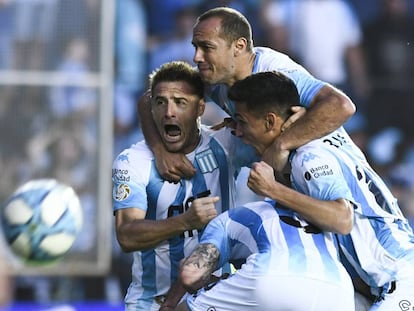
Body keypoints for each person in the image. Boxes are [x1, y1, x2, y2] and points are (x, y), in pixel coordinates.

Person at [228, 71, 414, 310]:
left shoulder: (309, 157)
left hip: (398, 277)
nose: (238, 132)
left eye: (242, 121)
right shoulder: (323, 136)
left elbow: (342, 219)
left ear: (270, 121)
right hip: (376, 284)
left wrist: (272, 189)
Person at [138, 6, 357, 183]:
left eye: (206, 47)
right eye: (195, 47)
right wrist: (160, 152)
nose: (196, 57)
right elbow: (149, 99)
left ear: (238, 46)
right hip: (291, 180)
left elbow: (341, 105)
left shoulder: (276, 74)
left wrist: (282, 145)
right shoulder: (214, 75)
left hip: (338, 180)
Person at [112, 61, 256, 310]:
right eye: (161, 103)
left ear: (200, 108)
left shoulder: (226, 144)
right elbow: (126, 235)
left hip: (214, 300)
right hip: (150, 303)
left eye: (180, 103)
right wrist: (186, 221)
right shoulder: (132, 161)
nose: (169, 112)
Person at [174, 200, 355, 311]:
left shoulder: (232, 217)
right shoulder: (324, 220)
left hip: (273, 276)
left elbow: (191, 275)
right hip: (340, 289)